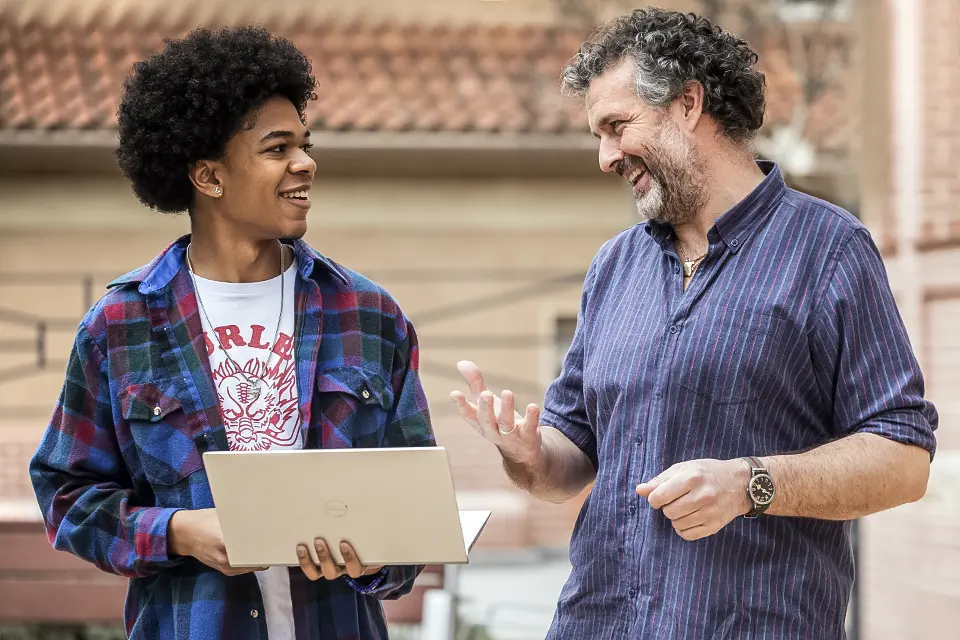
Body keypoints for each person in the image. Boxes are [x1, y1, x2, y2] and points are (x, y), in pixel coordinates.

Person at [451, 8, 937, 639]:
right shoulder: (615, 265)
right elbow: (571, 461)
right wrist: (527, 456)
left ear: (687, 103)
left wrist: (750, 483)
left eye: (617, 126)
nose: (605, 156)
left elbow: (903, 458)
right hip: (598, 623)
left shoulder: (829, 248)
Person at [29, 26, 434, 640]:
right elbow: (66, 494)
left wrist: (382, 558)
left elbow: (413, 505)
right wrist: (179, 533)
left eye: (305, 143)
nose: (306, 163)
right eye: (277, 148)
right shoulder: (120, 325)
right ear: (209, 177)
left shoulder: (369, 315)